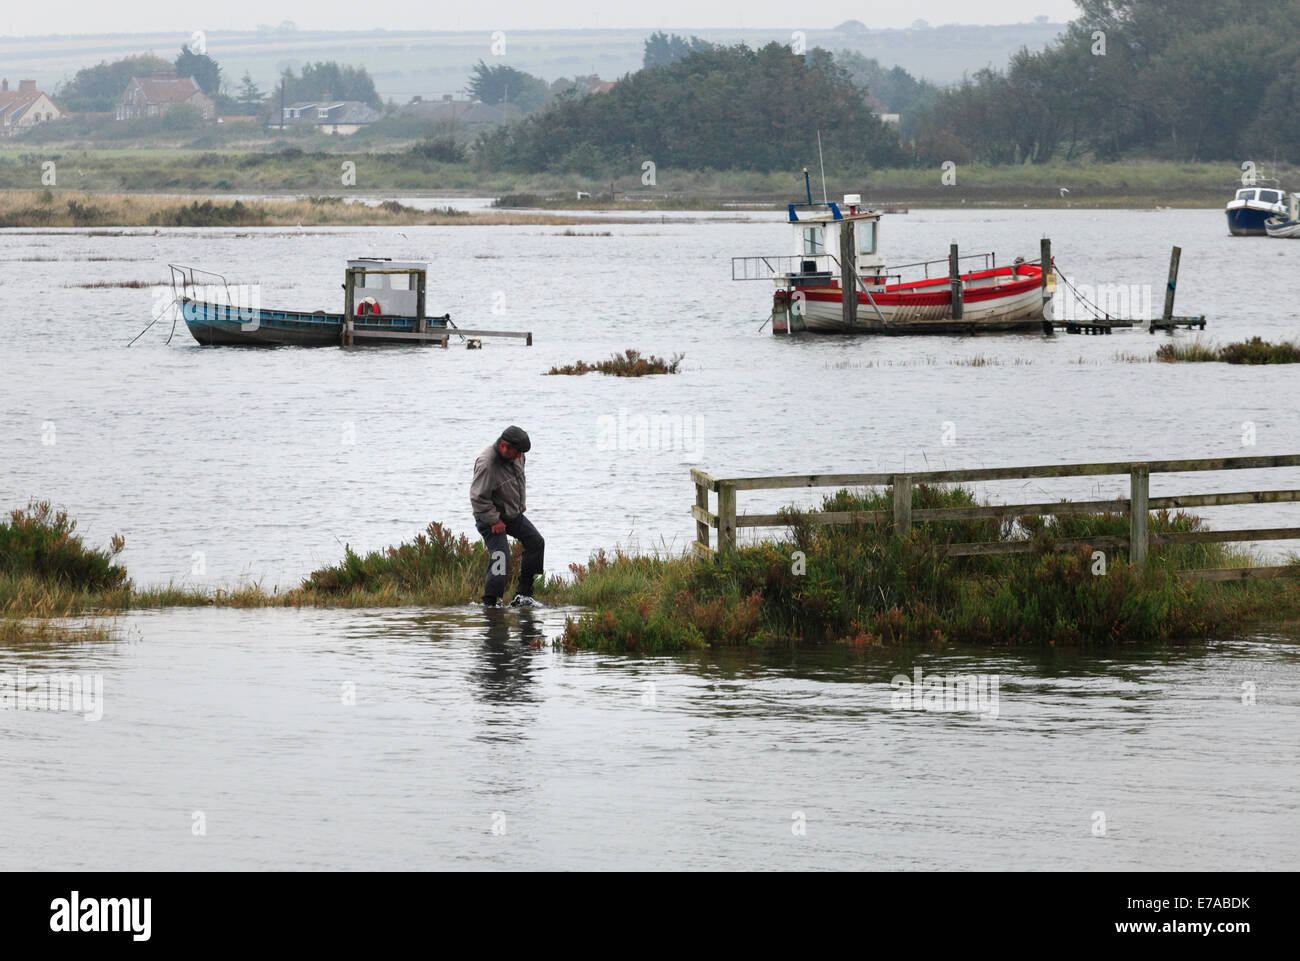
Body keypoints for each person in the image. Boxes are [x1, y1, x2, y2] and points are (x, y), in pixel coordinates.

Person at [470, 426, 545, 608]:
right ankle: (490, 603)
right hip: (488, 517)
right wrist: (494, 520)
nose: (520, 456)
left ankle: (523, 595)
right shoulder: (487, 464)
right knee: (501, 557)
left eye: (522, 453)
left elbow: (519, 479)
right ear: (503, 445)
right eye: (517, 452)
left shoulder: (517, 455)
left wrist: (520, 502)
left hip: (511, 513)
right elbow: (477, 498)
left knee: (536, 542)